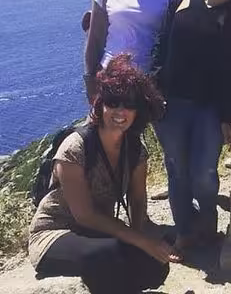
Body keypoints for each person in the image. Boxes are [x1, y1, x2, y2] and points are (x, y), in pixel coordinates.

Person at [29, 55, 178, 294]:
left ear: (139, 109)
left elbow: (137, 199)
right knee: (110, 255)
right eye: (113, 101)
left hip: (98, 232)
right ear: (101, 103)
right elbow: (85, 215)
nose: (120, 111)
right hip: (56, 234)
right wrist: (139, 241)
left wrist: (139, 239)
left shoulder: (136, 151)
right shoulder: (75, 148)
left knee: (154, 265)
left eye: (129, 103)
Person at [151, 0, 231, 253]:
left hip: (208, 107)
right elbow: (161, 43)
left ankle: (208, 228)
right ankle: (184, 233)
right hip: (172, 103)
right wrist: (155, 91)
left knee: (205, 173)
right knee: (178, 169)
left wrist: (226, 117)